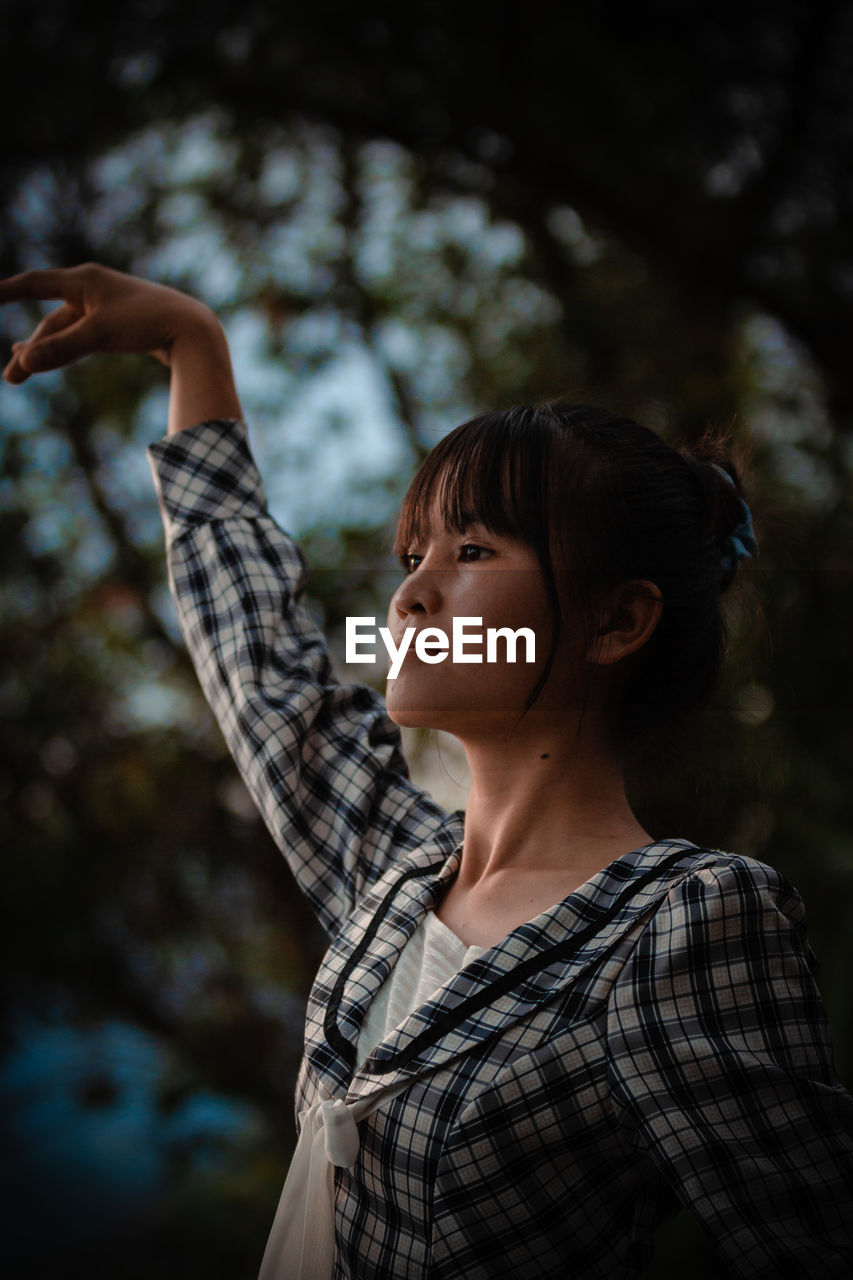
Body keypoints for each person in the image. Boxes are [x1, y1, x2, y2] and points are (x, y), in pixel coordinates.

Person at [2, 263, 852, 1279]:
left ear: (616, 620)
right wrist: (195, 346)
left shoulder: (684, 925)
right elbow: (259, 660)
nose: (411, 594)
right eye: (414, 553)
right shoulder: (396, 876)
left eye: (473, 549)